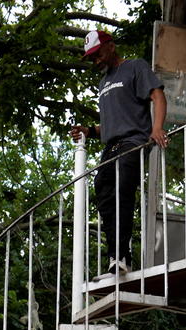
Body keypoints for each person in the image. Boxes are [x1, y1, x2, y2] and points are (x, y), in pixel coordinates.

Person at [71, 29, 168, 275]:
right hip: (111, 146)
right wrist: (89, 130)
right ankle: (117, 256)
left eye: (97, 54)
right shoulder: (103, 83)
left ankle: (121, 256)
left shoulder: (135, 66)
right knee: (102, 190)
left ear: (110, 46)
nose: (96, 60)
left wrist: (156, 128)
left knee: (122, 190)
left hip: (133, 140)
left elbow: (158, 95)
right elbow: (112, 121)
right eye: (91, 58)